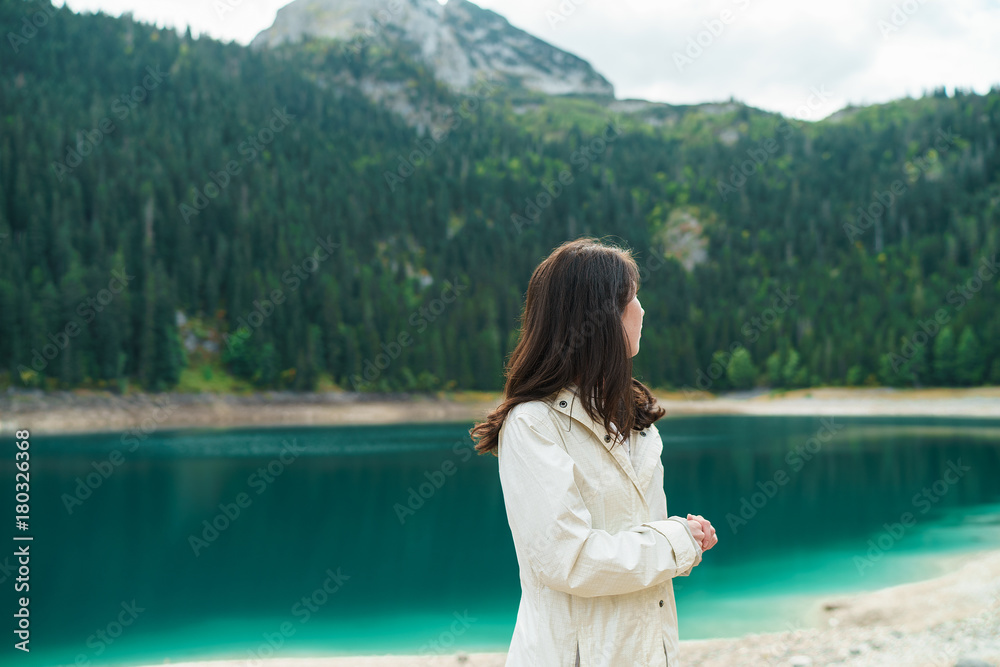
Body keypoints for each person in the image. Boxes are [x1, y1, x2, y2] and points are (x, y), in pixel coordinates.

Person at [470, 236, 718, 666]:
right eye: (631, 298)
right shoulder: (533, 424)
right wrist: (677, 541)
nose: (642, 310)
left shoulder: (635, 422)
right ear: (599, 317)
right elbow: (569, 560)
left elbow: (637, 541)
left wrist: (683, 537)